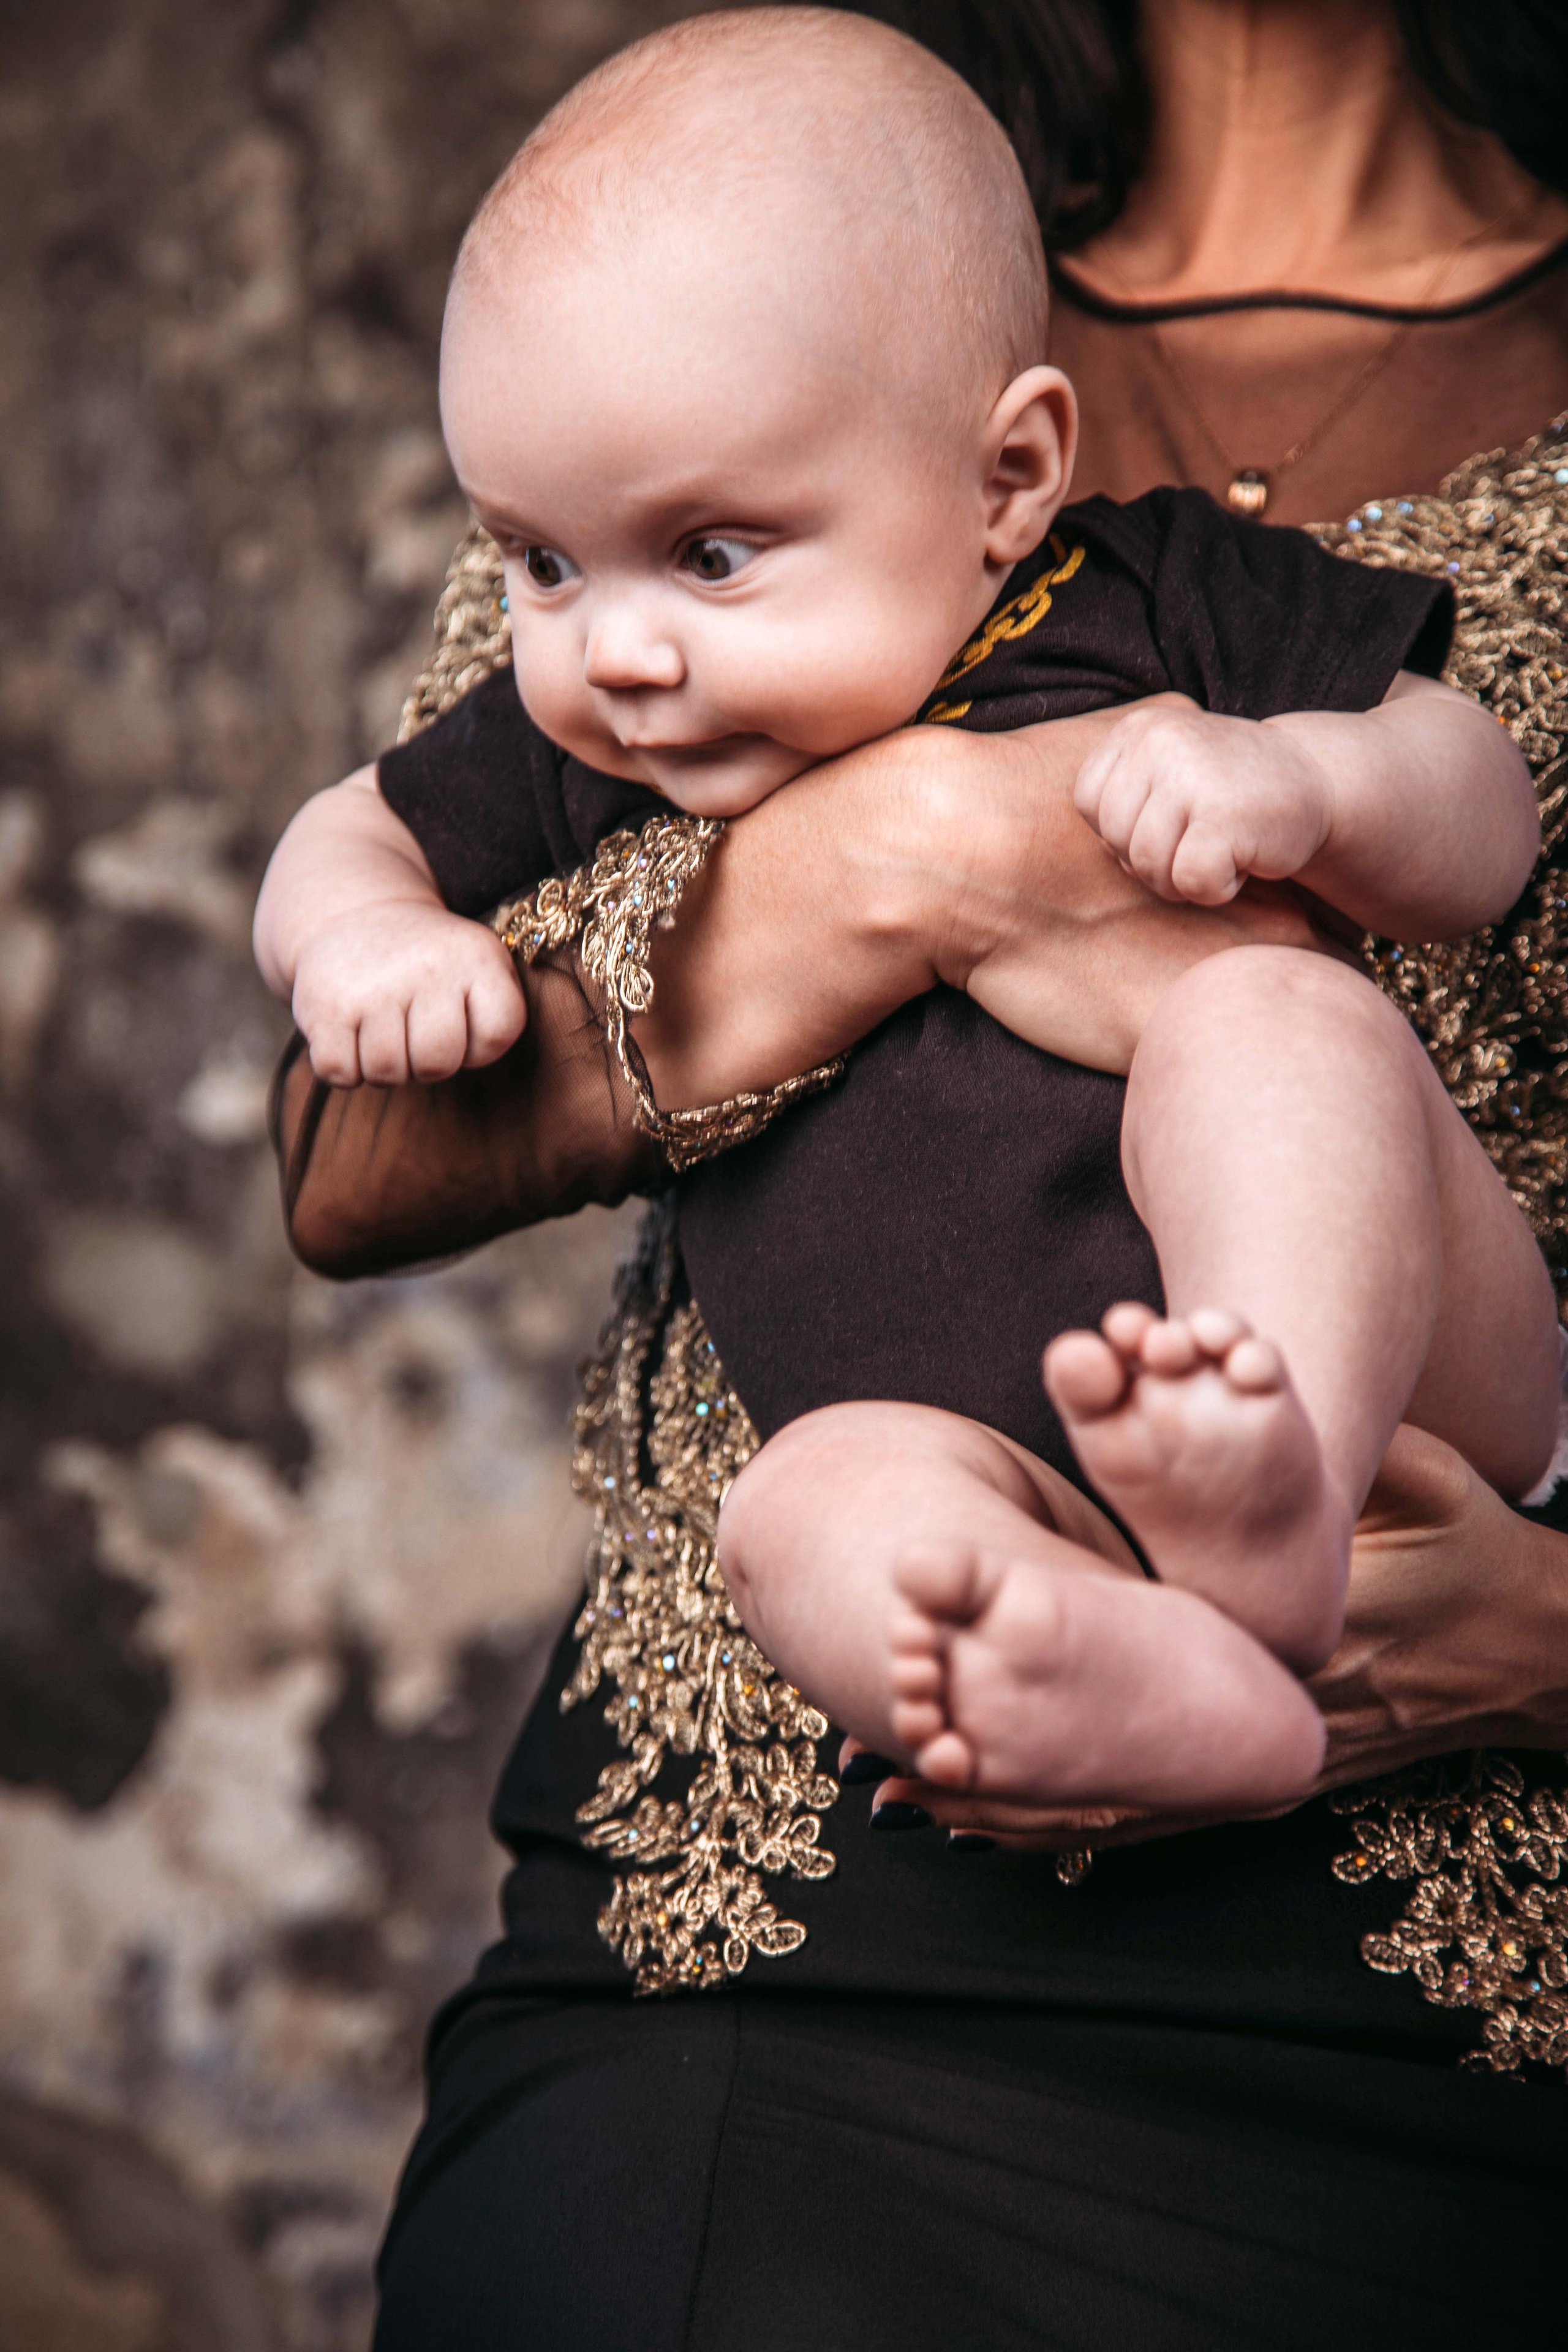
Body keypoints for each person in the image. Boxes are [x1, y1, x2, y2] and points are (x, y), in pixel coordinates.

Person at [268, 2, 1568, 2342]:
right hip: (785, 1922)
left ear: (1015, 463)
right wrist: (919, 863)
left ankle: (1248, 1496)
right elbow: (350, 1150)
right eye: (551, 567)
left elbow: (1461, 809)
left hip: (1444, 1976)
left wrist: (1548, 1642)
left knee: (1279, 1024)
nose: (617, 637)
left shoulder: (1159, 582)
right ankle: (1149, 1646)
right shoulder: (722, 289)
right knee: (825, 1499)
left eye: (706, 560)